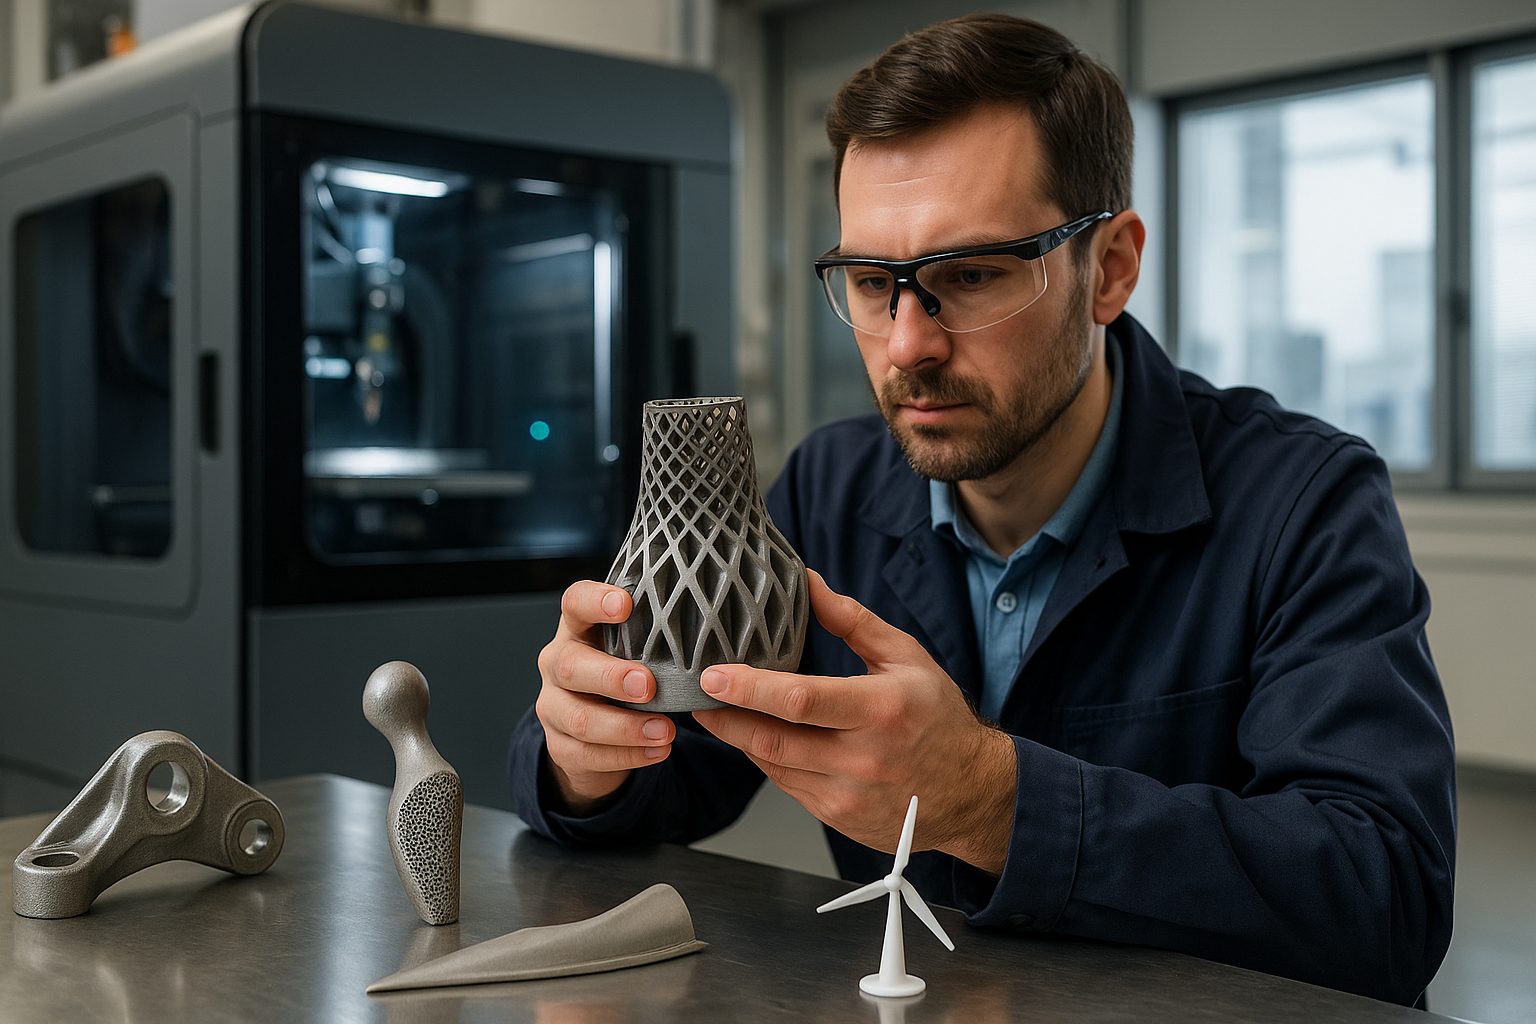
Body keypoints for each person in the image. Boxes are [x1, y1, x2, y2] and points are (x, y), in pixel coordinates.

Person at [508, 13, 1455, 1008]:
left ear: (1112, 268)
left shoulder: (1303, 502)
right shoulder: (829, 489)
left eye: (969, 276)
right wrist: (586, 754)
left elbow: (1383, 898)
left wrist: (992, 800)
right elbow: (678, 772)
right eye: (874, 283)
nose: (908, 342)